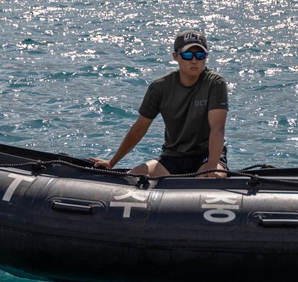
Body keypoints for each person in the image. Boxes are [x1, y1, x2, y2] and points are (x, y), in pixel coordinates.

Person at [93, 30, 229, 177]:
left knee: (211, 177)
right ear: (175, 57)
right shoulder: (159, 87)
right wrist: (112, 162)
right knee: (132, 178)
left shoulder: (215, 83)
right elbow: (139, 128)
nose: (194, 60)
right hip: (173, 157)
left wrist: (211, 166)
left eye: (200, 55)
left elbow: (218, 128)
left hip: (206, 155)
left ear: (206, 56)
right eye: (188, 55)